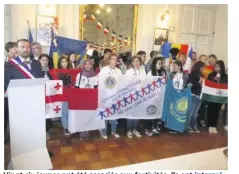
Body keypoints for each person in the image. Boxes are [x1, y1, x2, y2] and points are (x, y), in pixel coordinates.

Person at [4, 39, 53, 157]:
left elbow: (41, 81)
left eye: (27, 47)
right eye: (22, 47)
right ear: (17, 48)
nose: (26, 49)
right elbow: (5, 86)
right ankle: (23, 154)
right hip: (19, 105)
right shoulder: (9, 65)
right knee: (23, 131)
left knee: (38, 129)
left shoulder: (37, 63)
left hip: (36, 104)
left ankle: (41, 149)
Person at [99, 53, 122, 139]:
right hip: (106, 96)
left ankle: (113, 131)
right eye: (113, 59)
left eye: (116, 59)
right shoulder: (104, 70)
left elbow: (121, 82)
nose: (115, 61)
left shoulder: (119, 71)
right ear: (109, 60)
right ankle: (104, 132)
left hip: (116, 96)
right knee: (105, 115)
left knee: (114, 115)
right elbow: (101, 82)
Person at [75, 59, 96, 140]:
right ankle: (82, 133)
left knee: (88, 116)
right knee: (82, 116)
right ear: (83, 65)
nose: (88, 66)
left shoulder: (94, 74)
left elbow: (96, 87)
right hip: (82, 99)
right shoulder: (79, 75)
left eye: (89, 64)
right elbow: (76, 88)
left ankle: (87, 132)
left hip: (90, 99)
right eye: (86, 64)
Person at [125, 56, 145, 138]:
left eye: (137, 61)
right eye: (134, 61)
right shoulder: (129, 71)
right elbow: (125, 83)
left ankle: (135, 129)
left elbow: (145, 82)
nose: (136, 63)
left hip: (140, 95)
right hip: (131, 95)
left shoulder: (143, 71)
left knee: (137, 113)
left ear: (140, 62)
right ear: (132, 63)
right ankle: (129, 130)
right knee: (130, 114)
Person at [147, 57, 167, 134]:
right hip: (152, 96)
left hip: (159, 95)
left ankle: (155, 125)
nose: (160, 65)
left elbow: (164, 83)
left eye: (160, 63)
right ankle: (150, 127)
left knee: (157, 111)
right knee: (151, 111)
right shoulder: (150, 73)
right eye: (158, 63)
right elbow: (147, 85)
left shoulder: (162, 72)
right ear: (154, 64)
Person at [207, 60, 228, 134]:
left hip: (219, 96)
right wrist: (214, 81)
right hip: (211, 96)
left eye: (217, 67)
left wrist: (219, 82)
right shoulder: (211, 75)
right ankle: (210, 125)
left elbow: (226, 86)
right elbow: (208, 83)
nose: (215, 68)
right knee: (210, 110)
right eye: (215, 66)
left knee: (216, 111)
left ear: (221, 68)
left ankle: (214, 126)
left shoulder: (225, 76)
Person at [188, 61, 205, 133]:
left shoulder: (202, 75)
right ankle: (189, 125)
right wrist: (199, 83)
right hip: (194, 95)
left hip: (199, 95)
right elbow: (192, 84)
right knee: (191, 112)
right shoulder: (193, 74)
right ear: (199, 67)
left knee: (196, 113)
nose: (203, 69)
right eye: (203, 67)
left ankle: (194, 125)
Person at [57, 56, 71, 136]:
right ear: (60, 63)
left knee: (70, 111)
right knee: (65, 111)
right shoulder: (57, 72)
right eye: (62, 62)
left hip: (71, 93)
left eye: (65, 61)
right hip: (63, 94)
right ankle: (65, 127)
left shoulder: (71, 71)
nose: (64, 63)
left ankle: (70, 125)